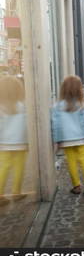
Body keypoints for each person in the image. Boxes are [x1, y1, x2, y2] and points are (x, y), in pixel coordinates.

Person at [51, 76, 84, 197]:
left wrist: (57, 140)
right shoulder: (82, 104)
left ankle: (76, 186)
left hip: (67, 140)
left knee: (71, 162)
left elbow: (56, 125)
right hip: (82, 138)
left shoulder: (57, 106)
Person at [0, 76, 28, 206]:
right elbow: (26, 125)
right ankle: (16, 192)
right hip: (20, 142)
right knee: (19, 167)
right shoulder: (22, 106)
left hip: (4, 143)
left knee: (3, 168)